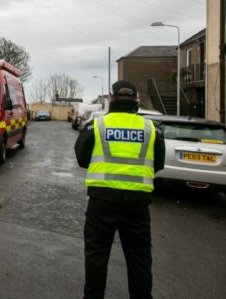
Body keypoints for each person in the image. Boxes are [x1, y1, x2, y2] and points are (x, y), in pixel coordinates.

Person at [74, 80, 165, 299]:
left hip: (102, 201)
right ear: (136, 100)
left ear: (112, 99)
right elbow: (158, 164)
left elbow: (82, 158)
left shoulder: (97, 126)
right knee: (139, 259)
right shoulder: (151, 129)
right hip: (138, 204)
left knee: (97, 257)